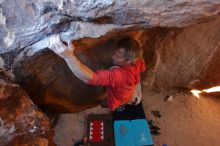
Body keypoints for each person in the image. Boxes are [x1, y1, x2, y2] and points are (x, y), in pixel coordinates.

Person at [48, 34, 146, 111]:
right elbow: (141, 66)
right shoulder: (138, 58)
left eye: (118, 56)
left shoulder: (119, 76)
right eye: (115, 53)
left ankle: (128, 101)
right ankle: (134, 88)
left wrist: (68, 56)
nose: (113, 56)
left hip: (122, 97)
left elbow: (89, 78)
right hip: (130, 83)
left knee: (104, 104)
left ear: (128, 61)